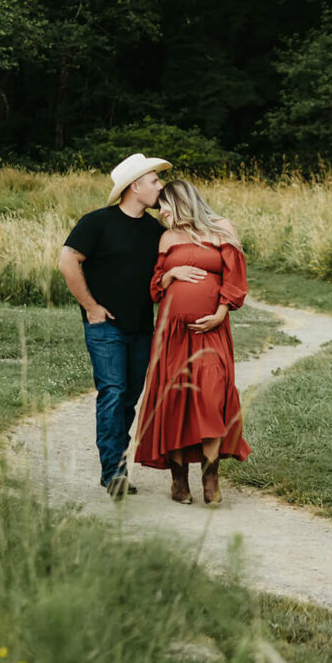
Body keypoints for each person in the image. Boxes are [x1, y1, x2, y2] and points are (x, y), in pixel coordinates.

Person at [58, 153, 170, 498]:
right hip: (105, 327)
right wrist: (91, 308)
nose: (160, 186)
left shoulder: (155, 230)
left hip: (141, 328)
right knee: (113, 392)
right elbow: (67, 261)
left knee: (129, 398)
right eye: (154, 181)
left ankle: (116, 464)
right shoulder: (97, 223)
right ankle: (114, 473)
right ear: (134, 187)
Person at [131, 179, 249, 505]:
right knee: (175, 402)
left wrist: (221, 311)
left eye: (164, 206)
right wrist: (172, 274)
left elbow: (235, 276)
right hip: (172, 334)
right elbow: (156, 288)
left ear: (180, 201)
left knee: (211, 398)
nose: (161, 213)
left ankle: (211, 478)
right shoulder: (167, 238)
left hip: (210, 331)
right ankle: (178, 482)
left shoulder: (221, 228)